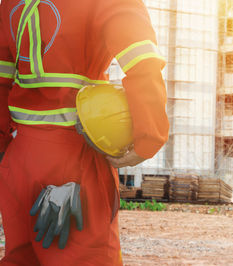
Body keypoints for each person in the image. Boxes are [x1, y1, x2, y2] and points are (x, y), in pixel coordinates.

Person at [0, 0, 169, 265]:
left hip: (18, 158)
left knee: (21, 258)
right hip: (75, 161)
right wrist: (149, 135)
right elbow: (141, 59)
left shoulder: (8, 4)